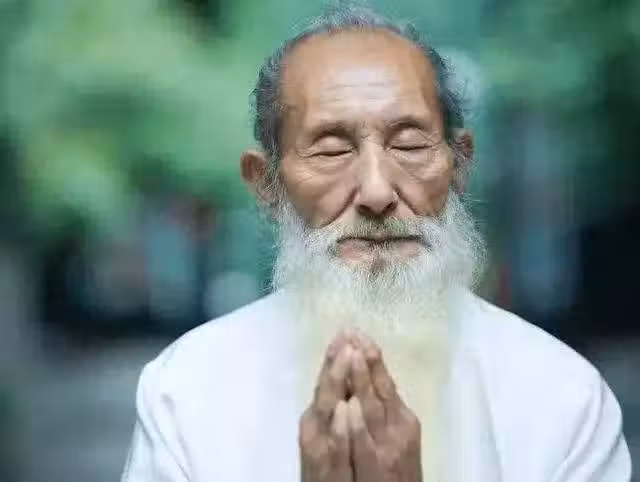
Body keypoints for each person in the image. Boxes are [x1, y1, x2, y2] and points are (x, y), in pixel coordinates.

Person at [121, 5, 631, 482]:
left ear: (459, 166)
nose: (377, 192)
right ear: (266, 185)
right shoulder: (185, 391)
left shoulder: (565, 398)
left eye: (409, 145)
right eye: (331, 151)